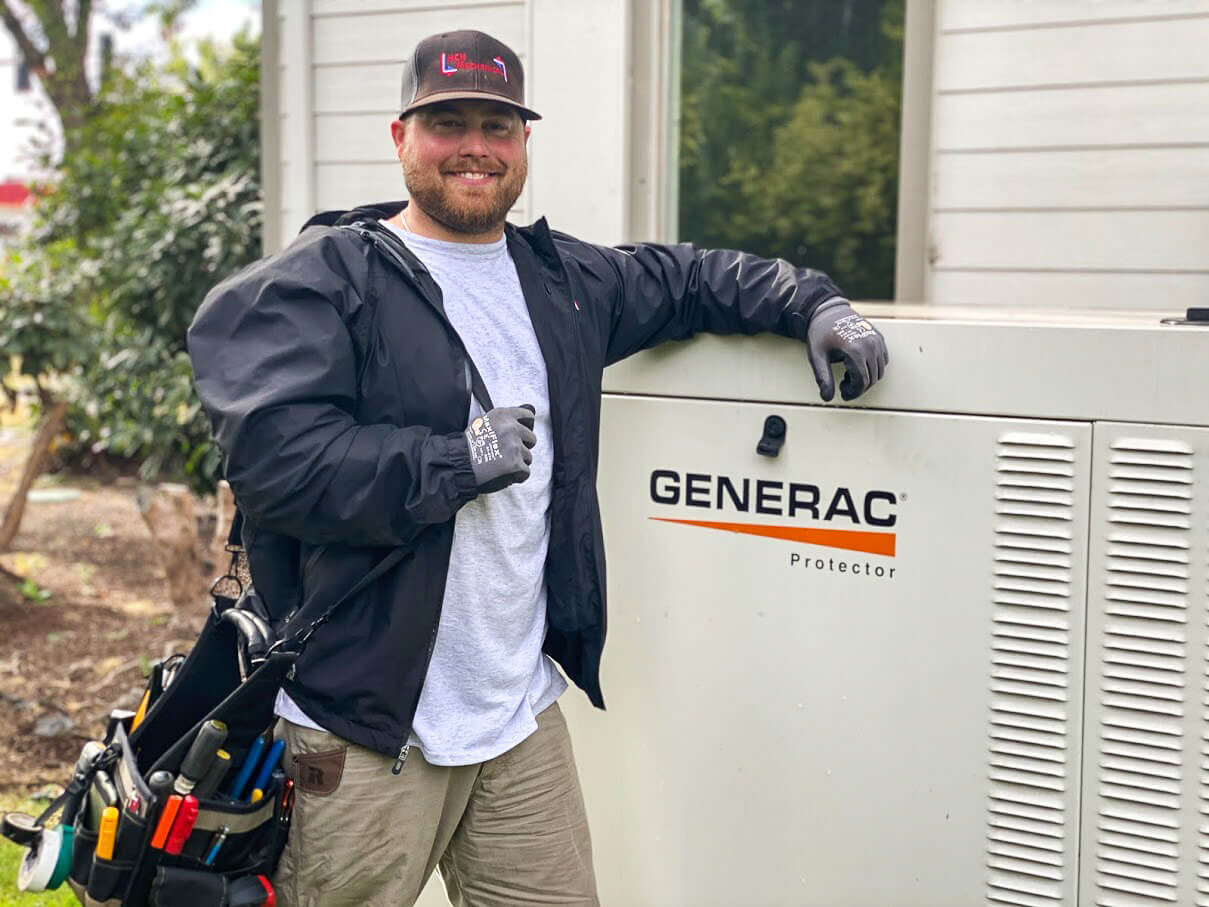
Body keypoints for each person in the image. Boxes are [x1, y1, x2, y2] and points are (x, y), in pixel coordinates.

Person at [188, 28, 888, 907]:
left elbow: (688, 279)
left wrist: (811, 302)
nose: (474, 145)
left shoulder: (560, 281)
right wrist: (450, 460)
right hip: (358, 729)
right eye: (447, 122)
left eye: (498, 124)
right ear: (401, 136)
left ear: (523, 144)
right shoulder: (328, 279)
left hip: (515, 716)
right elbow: (275, 463)